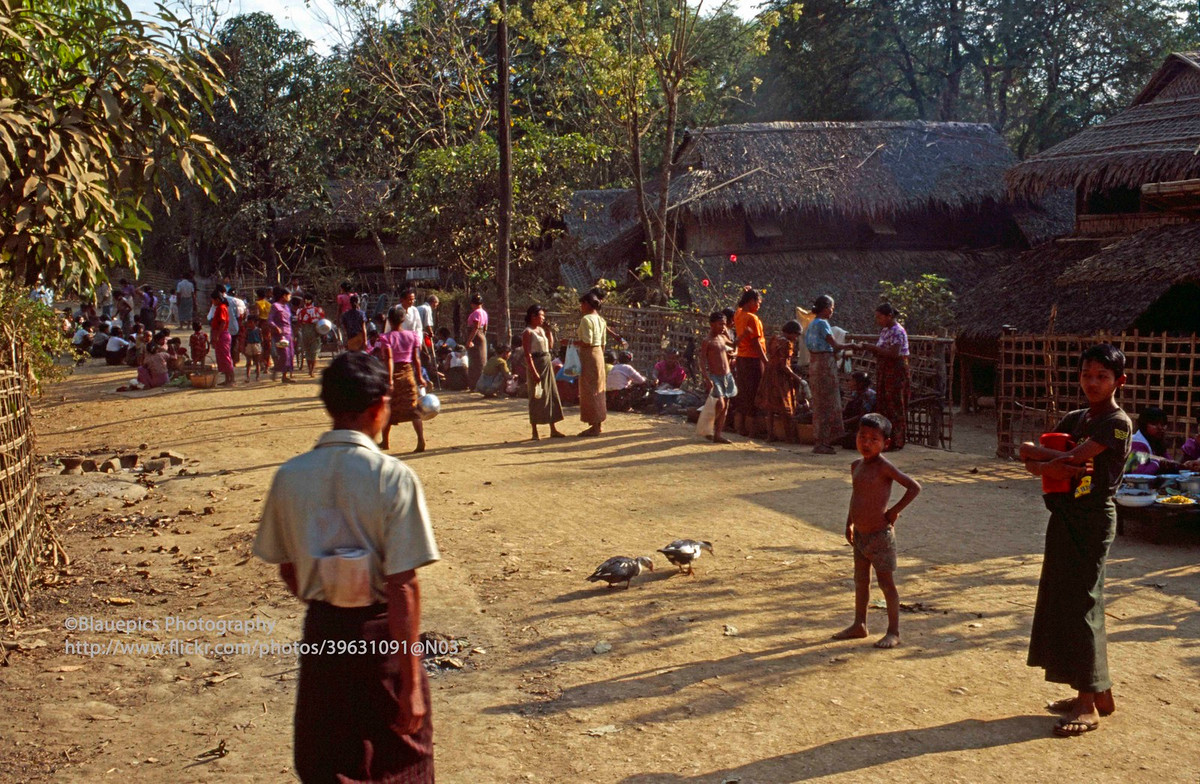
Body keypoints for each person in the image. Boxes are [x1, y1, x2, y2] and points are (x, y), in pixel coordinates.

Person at [253, 352, 438, 784]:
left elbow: (287, 569)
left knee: (329, 758)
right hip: (382, 638)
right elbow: (403, 586)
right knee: (401, 756)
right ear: (378, 407)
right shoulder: (392, 477)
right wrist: (411, 683)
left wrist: (329, 595)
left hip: (324, 634)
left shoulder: (290, 476)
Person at [1018, 343, 1131, 737]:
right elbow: (1041, 466)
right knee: (1063, 600)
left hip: (1092, 520)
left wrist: (1035, 454)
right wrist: (1042, 461)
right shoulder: (1075, 417)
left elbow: (1074, 459)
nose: (1092, 383)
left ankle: (1087, 705)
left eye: (1102, 376)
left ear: (1119, 381)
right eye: (1086, 375)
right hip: (1064, 516)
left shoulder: (1117, 423)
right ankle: (1099, 692)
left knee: (1084, 603)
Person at [833, 413, 921, 649]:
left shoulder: (884, 467)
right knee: (861, 581)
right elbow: (856, 496)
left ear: (886, 443)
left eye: (874, 439)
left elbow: (914, 487)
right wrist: (849, 523)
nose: (866, 443)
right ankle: (859, 624)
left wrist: (893, 511)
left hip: (880, 536)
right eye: (862, 436)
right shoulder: (856, 466)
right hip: (861, 536)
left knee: (886, 584)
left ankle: (893, 631)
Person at [854, 303, 910, 450]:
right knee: (883, 404)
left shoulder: (898, 331)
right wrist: (871, 348)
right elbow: (883, 350)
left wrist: (873, 348)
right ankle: (885, 440)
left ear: (889, 316)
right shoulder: (885, 331)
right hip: (885, 370)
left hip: (895, 371)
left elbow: (894, 353)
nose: (878, 320)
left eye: (880, 317)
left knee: (894, 404)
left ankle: (897, 441)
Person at [805, 294, 854, 455]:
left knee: (819, 403)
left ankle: (821, 440)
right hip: (825, 365)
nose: (832, 311)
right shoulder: (823, 323)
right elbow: (835, 345)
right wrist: (854, 346)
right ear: (826, 309)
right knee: (827, 403)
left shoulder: (812, 324)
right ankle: (823, 441)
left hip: (815, 364)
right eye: (832, 308)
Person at [375, 306, 426, 453]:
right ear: (403, 320)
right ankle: (421, 440)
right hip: (409, 374)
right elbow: (416, 359)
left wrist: (390, 379)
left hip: (393, 374)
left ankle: (385, 441)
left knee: (387, 408)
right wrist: (420, 377)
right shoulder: (412, 336)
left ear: (389, 321)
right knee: (413, 409)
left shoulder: (386, 338)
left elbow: (389, 359)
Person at [756, 320, 804, 443]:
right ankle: (789, 437)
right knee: (785, 406)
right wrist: (797, 378)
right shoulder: (787, 343)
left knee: (770, 407)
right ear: (791, 332)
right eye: (796, 335)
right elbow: (784, 366)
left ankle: (770, 435)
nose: (796, 338)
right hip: (780, 377)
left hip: (769, 373)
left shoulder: (775, 338)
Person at [521, 305, 565, 440]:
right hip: (536, 364)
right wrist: (533, 372)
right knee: (536, 397)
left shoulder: (541, 330)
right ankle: (534, 431)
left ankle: (553, 428)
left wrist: (548, 330)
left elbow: (550, 345)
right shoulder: (527, 332)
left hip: (546, 363)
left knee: (551, 394)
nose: (543, 318)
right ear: (533, 316)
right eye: (541, 316)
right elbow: (527, 354)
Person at [732, 289, 768, 437]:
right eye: (758, 302)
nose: (759, 306)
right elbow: (756, 343)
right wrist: (766, 361)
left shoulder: (738, 314)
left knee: (743, 393)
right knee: (754, 393)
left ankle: (740, 427)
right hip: (753, 359)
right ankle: (753, 430)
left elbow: (739, 307)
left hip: (741, 358)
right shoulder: (752, 318)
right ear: (751, 301)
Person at [701, 311, 737, 445]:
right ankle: (707, 427)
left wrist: (740, 335)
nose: (723, 327)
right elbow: (702, 361)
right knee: (720, 404)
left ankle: (718, 434)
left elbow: (733, 345)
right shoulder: (707, 341)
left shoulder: (722, 338)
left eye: (724, 324)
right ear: (712, 324)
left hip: (727, 375)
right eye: (720, 324)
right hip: (715, 376)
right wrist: (707, 378)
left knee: (725, 405)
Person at [576, 290, 607, 437]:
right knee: (598, 388)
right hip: (599, 354)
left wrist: (570, 342)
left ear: (587, 304)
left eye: (582, 304)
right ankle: (598, 423)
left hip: (588, 355)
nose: (581, 307)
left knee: (589, 390)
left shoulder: (586, 319)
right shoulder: (601, 320)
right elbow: (603, 343)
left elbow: (587, 341)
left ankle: (594, 426)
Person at [840, 370, 877, 447]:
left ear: (860, 383)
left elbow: (862, 416)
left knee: (846, 440)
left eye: (852, 381)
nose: (849, 383)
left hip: (865, 425)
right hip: (854, 424)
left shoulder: (869, 395)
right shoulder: (856, 393)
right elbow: (848, 410)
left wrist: (844, 423)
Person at [267, 286, 295, 383]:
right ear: (284, 296)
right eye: (289, 295)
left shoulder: (287, 307)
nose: (290, 297)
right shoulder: (275, 306)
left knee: (290, 354)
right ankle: (276, 369)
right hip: (280, 335)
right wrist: (276, 327)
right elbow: (270, 320)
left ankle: (284, 376)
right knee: (284, 354)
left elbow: (289, 321)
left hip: (288, 333)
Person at [296, 293, 325, 377]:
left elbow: (299, 322)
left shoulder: (301, 311)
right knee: (314, 352)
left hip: (305, 332)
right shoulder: (318, 310)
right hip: (315, 331)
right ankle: (312, 370)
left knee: (308, 351)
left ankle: (309, 369)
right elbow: (322, 321)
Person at [209, 289, 234, 386]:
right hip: (220, 334)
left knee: (226, 357)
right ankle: (227, 379)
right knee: (222, 358)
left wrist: (217, 335)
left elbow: (223, 323)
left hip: (222, 335)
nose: (212, 302)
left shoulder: (221, 308)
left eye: (213, 300)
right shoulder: (219, 308)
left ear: (217, 299)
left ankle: (231, 379)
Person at [464, 294, 488, 390]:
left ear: (472, 304)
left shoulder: (476, 313)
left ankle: (475, 385)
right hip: (481, 336)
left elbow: (475, 327)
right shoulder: (484, 312)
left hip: (475, 336)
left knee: (474, 362)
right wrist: (483, 336)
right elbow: (485, 327)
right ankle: (480, 384)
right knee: (481, 361)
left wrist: (469, 340)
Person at [243, 316, 265, 381]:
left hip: (256, 345)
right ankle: (248, 377)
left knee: (257, 362)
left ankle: (257, 376)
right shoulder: (247, 331)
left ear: (255, 323)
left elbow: (261, 339)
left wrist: (261, 347)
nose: (249, 324)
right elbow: (245, 339)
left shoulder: (258, 330)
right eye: (248, 323)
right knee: (248, 363)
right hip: (249, 345)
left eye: (251, 323)